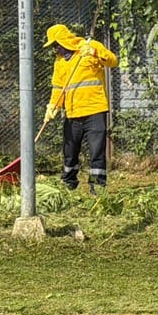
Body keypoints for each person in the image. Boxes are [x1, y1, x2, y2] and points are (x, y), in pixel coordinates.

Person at [42, 24, 118, 194]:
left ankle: (97, 186)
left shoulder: (91, 46)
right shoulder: (59, 62)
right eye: (53, 46)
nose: (55, 49)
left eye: (56, 45)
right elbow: (58, 86)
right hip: (72, 112)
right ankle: (69, 182)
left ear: (64, 41)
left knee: (97, 150)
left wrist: (94, 52)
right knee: (70, 150)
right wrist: (53, 106)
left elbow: (113, 61)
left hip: (95, 110)